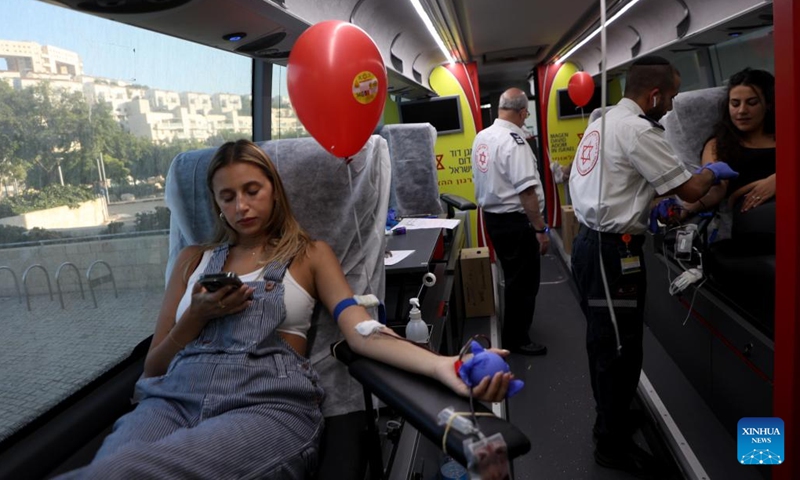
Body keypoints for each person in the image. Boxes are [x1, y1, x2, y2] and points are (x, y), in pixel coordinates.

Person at [58, 139, 511, 479]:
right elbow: (153, 369)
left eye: (252, 190)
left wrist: (442, 365)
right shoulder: (192, 261)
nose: (241, 206)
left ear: (274, 190)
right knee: (108, 465)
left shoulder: (310, 255)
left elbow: (361, 331)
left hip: (265, 405)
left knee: (127, 472)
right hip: (173, 399)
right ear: (216, 204)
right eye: (227, 197)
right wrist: (195, 317)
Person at [568, 56, 738, 476]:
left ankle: (613, 416)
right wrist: (712, 172)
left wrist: (646, 201)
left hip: (593, 244)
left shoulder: (603, 122)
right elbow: (691, 189)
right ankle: (610, 444)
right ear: (655, 95)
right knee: (616, 349)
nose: (673, 105)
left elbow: (620, 179)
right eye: (673, 96)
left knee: (610, 343)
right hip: (611, 253)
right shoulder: (639, 130)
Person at [472, 87, 550, 356]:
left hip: (494, 219)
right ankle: (517, 339)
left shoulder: (482, 136)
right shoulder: (514, 142)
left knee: (513, 276)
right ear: (522, 113)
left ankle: (514, 330)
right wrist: (540, 229)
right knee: (524, 282)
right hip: (516, 223)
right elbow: (527, 192)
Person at [683, 68, 775, 250]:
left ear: (769, 105)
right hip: (754, 216)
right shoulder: (719, 145)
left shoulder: (789, 136)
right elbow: (715, 188)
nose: (742, 111)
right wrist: (685, 208)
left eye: (752, 103)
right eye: (735, 103)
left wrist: (782, 180)